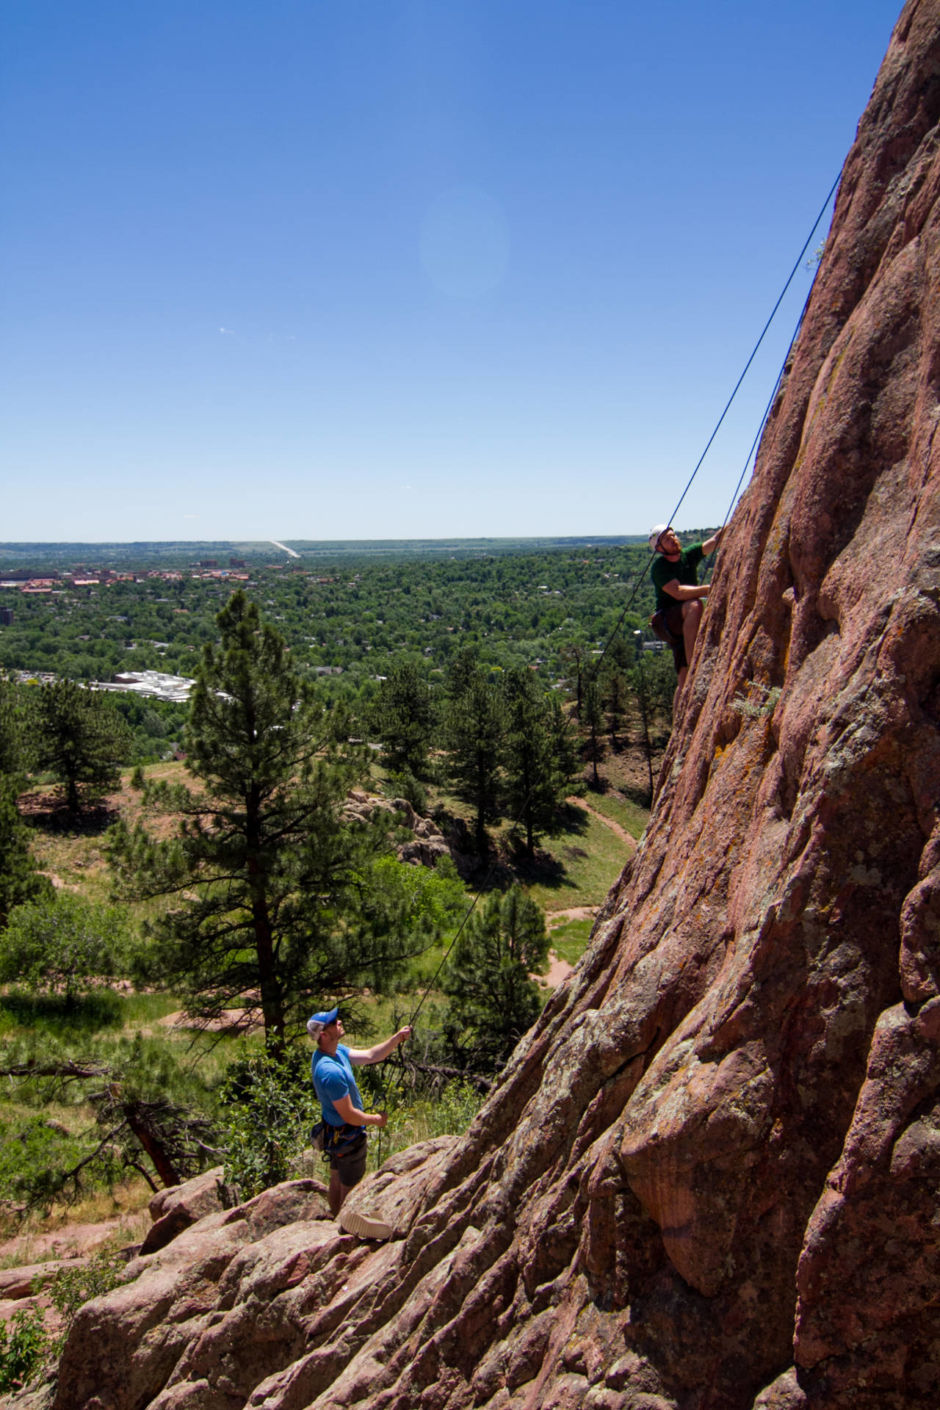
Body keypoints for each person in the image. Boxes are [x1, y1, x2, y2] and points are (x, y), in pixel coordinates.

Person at [307, 1007, 412, 1219]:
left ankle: (333, 1218)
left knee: (336, 1179)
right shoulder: (330, 1072)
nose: (339, 1022)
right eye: (334, 1022)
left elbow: (372, 1055)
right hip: (348, 1136)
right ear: (324, 1035)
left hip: (335, 1134)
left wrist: (396, 1038)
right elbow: (349, 1115)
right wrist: (376, 1120)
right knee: (350, 1187)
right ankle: (344, 1228)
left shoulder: (335, 1051)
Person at [648, 524, 723, 693]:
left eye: (673, 535)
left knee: (683, 680)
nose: (673, 539)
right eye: (667, 539)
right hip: (665, 621)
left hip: (683, 624)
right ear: (659, 548)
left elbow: (714, 541)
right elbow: (679, 593)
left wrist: (733, 523)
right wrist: (708, 589)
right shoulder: (660, 568)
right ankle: (694, 663)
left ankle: (682, 708)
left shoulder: (687, 556)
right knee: (695, 605)